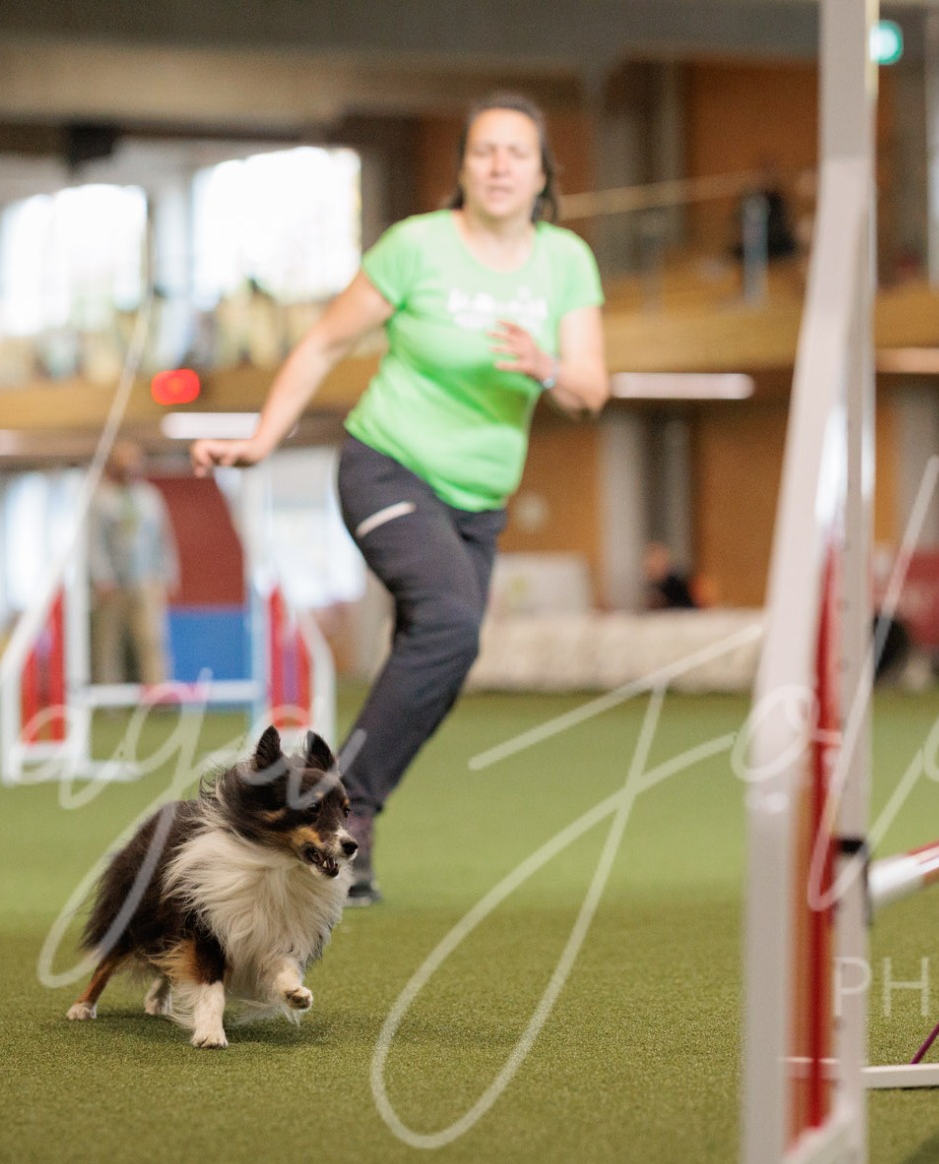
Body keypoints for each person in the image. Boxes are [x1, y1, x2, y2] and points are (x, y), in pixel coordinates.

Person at [192, 92, 608, 906]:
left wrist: (547, 365)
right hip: (387, 466)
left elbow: (591, 391)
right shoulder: (417, 247)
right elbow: (323, 343)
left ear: (542, 174)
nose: (499, 165)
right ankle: (339, 808)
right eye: (483, 150)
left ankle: (345, 816)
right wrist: (262, 437)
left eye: (516, 153)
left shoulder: (565, 262)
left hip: (479, 500)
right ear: (463, 167)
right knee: (451, 622)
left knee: (448, 653)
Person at [89, 438, 179, 687]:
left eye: (134, 460)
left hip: (147, 580)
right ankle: (109, 698)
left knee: (152, 640)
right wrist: (101, 577)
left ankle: (158, 693)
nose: (129, 466)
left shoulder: (150, 497)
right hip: (113, 585)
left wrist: (167, 574)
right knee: (109, 645)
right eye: (123, 460)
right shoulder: (100, 499)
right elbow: (94, 542)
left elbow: (163, 538)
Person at [644, 541, 698, 610]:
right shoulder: (653, 585)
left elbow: (686, 606)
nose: (652, 565)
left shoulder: (677, 583)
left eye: (656, 561)